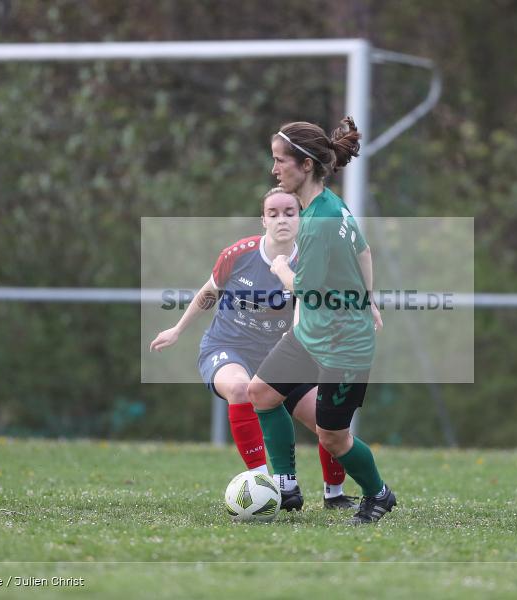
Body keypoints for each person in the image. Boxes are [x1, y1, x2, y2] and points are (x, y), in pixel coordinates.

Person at [149, 187, 357, 510]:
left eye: (290, 212)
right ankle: (265, 487)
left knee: (326, 418)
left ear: (302, 217)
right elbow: (210, 291)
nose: (282, 219)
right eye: (273, 214)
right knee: (240, 388)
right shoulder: (239, 254)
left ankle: (334, 494)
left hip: (286, 355)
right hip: (229, 347)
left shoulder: (313, 260)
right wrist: (177, 329)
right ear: (263, 220)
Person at [247, 117, 396, 524]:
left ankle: (378, 494)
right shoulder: (330, 205)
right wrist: (368, 298)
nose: (275, 170)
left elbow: (305, 289)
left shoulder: (318, 223)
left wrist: (280, 267)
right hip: (310, 334)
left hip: (344, 345)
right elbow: (364, 253)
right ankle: (284, 485)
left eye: (281, 161)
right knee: (261, 392)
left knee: (333, 437)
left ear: (306, 164)